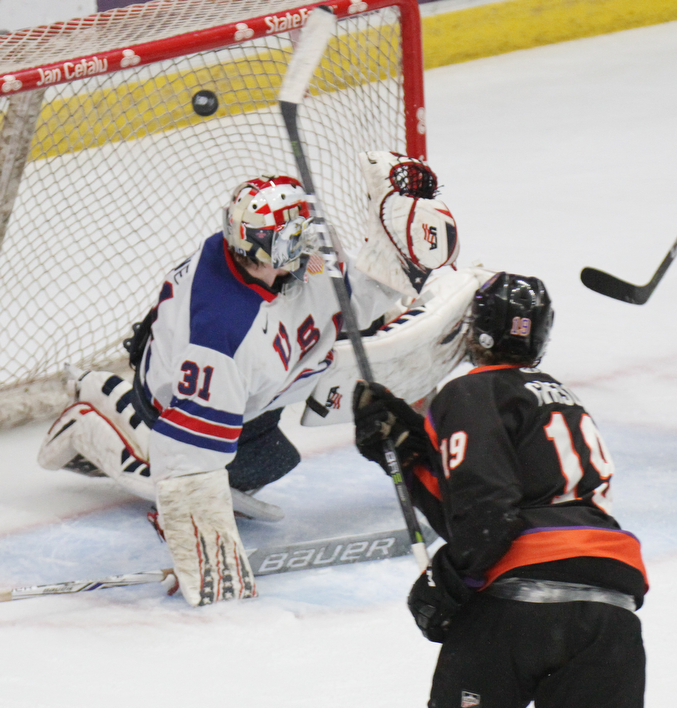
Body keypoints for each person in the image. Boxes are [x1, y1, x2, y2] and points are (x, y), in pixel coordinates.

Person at [37, 153, 477, 607]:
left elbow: (346, 297)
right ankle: (98, 416)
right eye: (292, 243)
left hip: (257, 396)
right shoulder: (222, 337)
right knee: (186, 468)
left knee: (271, 461)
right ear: (260, 248)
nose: (306, 251)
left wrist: (398, 249)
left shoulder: (285, 257)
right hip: (177, 409)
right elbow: (187, 460)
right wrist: (205, 552)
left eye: (302, 238)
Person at [353, 272, 647, 708]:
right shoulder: (565, 400)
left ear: (476, 331)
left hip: (521, 597)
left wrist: (447, 581)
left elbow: (488, 516)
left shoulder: (470, 391)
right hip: (611, 609)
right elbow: (493, 508)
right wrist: (412, 451)